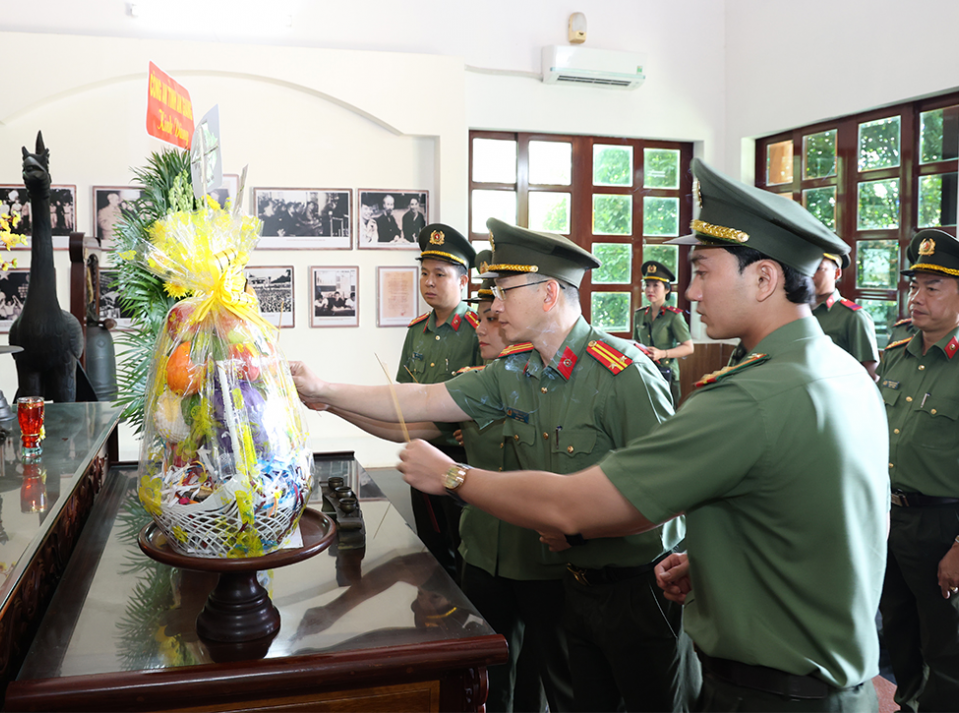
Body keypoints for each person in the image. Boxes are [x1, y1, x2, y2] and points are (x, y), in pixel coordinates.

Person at [346, 158, 891, 712]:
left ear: (765, 278)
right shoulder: (837, 371)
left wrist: (454, 476)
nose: (692, 292)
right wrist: (711, 563)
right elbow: (805, 521)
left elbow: (574, 506)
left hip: (772, 693)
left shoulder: (750, 395)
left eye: (702, 271)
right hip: (828, 681)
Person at [295, 218, 695, 713]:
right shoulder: (515, 370)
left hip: (641, 588)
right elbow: (421, 397)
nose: (494, 304)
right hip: (575, 585)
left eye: (505, 289)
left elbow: (671, 495)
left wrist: (579, 531)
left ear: (549, 294)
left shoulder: (624, 374)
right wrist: (324, 390)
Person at [876, 228, 959, 713]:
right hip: (889, 518)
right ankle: (911, 705)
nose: (916, 297)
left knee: (946, 646)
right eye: (914, 286)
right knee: (899, 633)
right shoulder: (897, 353)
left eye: (932, 287)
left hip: (944, 524)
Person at [395, 223, 481, 580]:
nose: (429, 282)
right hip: (421, 451)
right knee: (430, 547)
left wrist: (474, 427)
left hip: (464, 461)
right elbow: (401, 392)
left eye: (440, 274)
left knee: (466, 551)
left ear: (463, 281)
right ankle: (433, 622)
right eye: (424, 273)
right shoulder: (418, 331)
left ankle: (467, 628)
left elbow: (494, 396)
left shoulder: (481, 329)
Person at [634, 260, 694, 404]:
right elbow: (636, 343)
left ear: (667, 289)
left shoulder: (674, 316)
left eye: (656, 285)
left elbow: (688, 348)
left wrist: (662, 353)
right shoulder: (640, 314)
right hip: (644, 372)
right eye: (647, 285)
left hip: (666, 374)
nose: (650, 290)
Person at [811, 251, 878, 378]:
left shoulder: (853, 316)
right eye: (806, 267)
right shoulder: (795, 311)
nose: (810, 274)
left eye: (818, 268)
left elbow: (871, 375)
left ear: (837, 273)